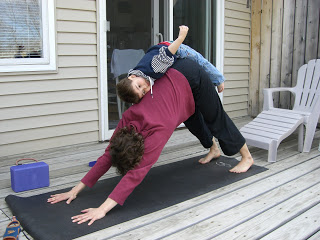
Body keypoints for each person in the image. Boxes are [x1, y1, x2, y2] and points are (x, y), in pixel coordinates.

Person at [47, 58, 254, 226]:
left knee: (215, 118)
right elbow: (107, 156)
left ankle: (247, 157)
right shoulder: (128, 120)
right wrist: (74, 190)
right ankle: (214, 149)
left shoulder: (158, 132)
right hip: (177, 94)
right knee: (195, 123)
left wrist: (102, 210)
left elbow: (135, 174)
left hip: (191, 76)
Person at [116, 25, 225, 104]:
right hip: (162, 49)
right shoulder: (136, 73)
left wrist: (181, 37)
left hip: (175, 49)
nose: (144, 87)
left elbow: (168, 53)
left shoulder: (152, 68)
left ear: (132, 77)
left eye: (139, 86)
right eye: (143, 92)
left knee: (200, 61)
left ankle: (218, 79)